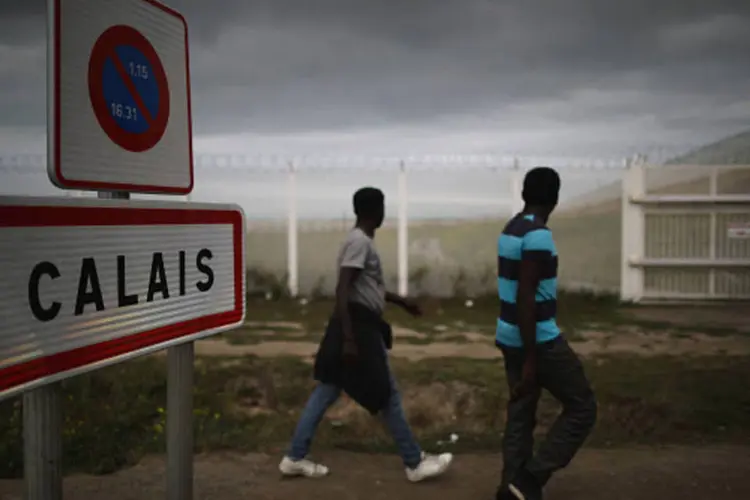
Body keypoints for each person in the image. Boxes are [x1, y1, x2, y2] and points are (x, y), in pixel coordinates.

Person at [278, 186, 453, 483]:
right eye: (383, 207)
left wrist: (401, 302)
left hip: (355, 324)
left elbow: (367, 287)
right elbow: (344, 288)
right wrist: (349, 337)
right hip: (357, 328)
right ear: (377, 211)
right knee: (387, 394)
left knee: (327, 390)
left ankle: (295, 457)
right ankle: (414, 462)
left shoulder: (358, 241)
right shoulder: (360, 243)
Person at [494, 167, 597, 500]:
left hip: (509, 335)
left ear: (525, 194)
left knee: (521, 414)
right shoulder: (539, 235)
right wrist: (531, 360)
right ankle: (529, 480)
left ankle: (510, 488)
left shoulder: (511, 228)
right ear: (554, 197)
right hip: (538, 340)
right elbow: (526, 295)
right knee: (582, 408)